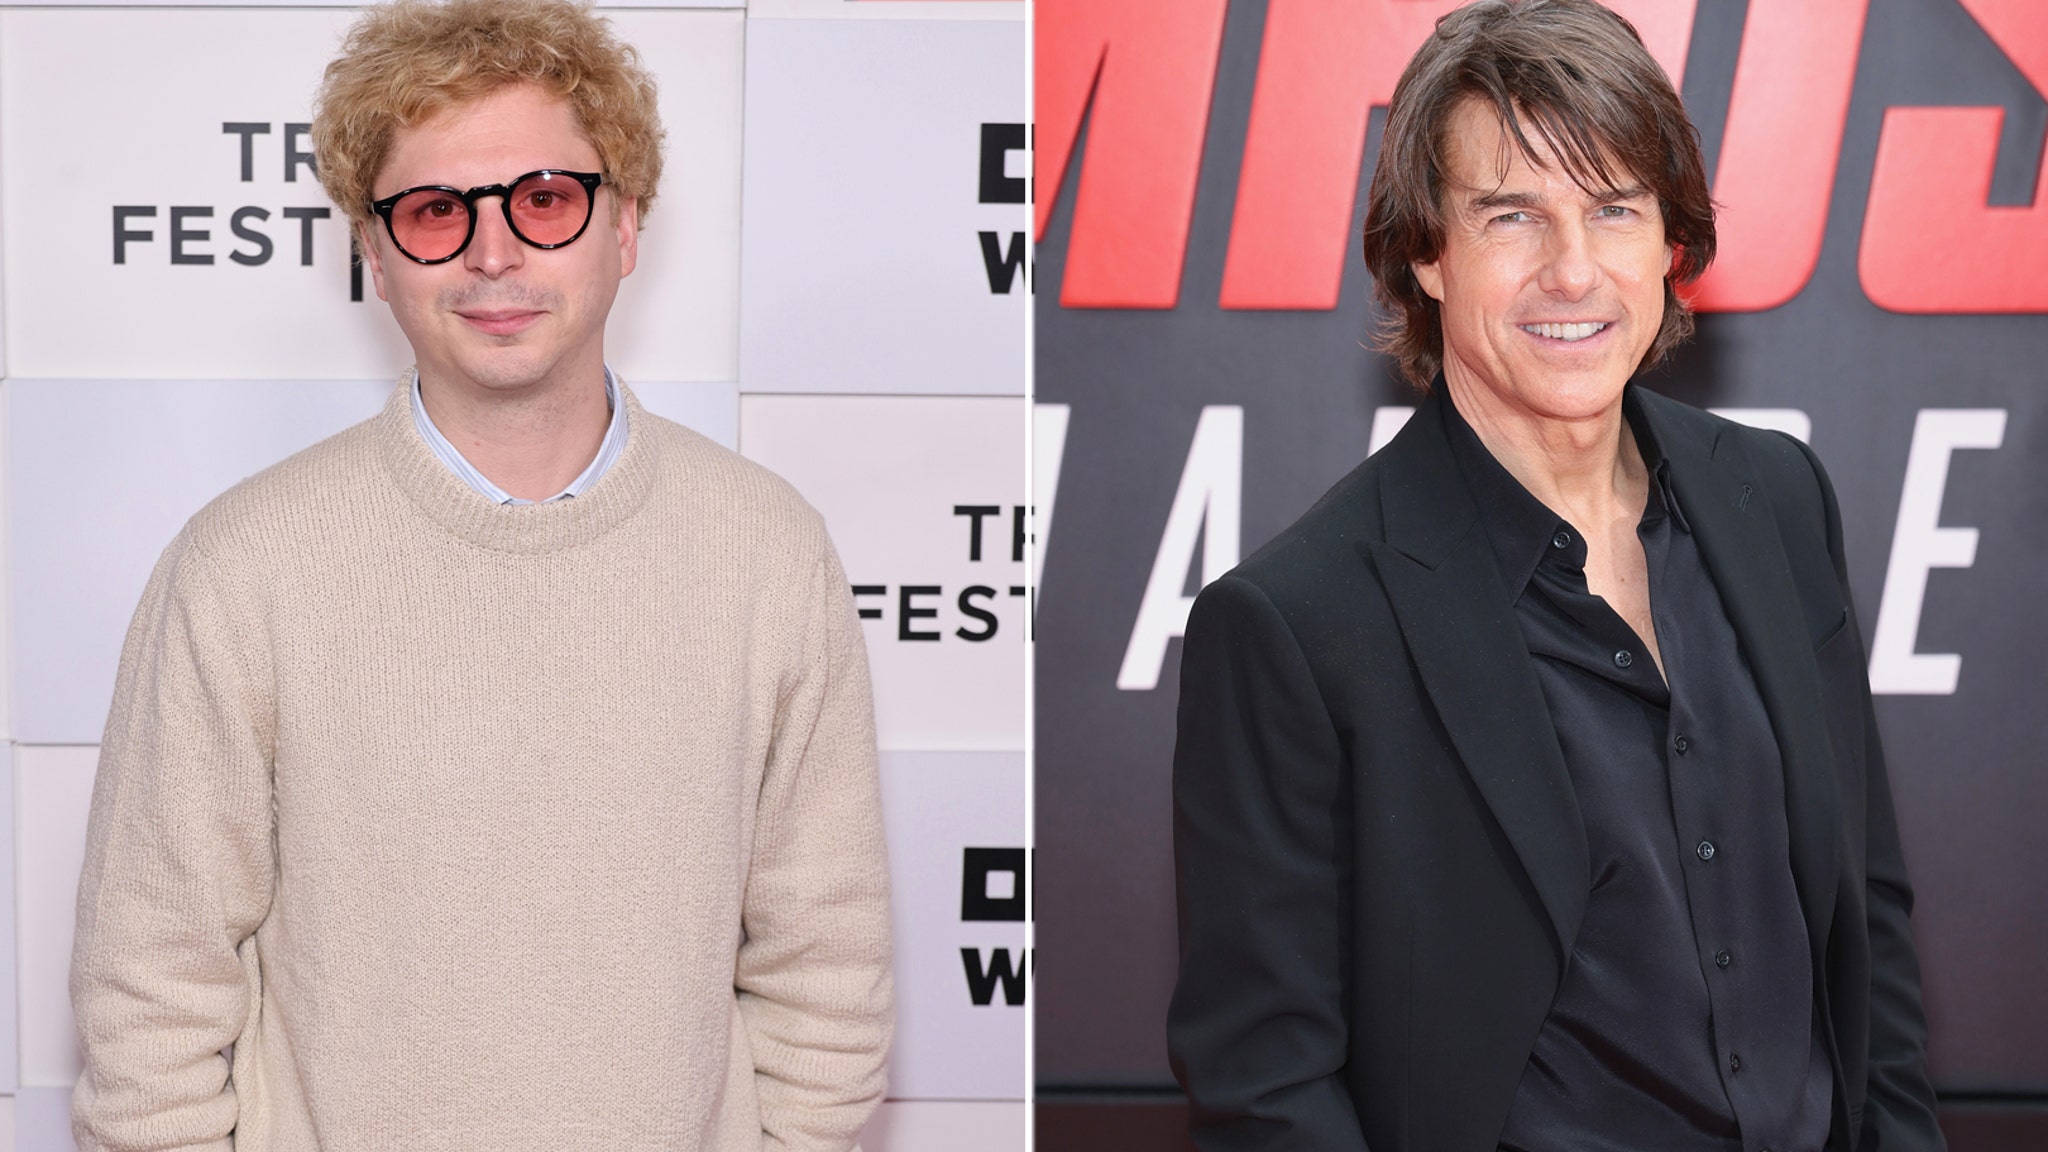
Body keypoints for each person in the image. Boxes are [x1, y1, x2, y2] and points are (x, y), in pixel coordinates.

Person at [68, 1, 892, 1148]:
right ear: (374, 254)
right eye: (435, 212)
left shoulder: (767, 552)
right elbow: (149, 999)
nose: (491, 254)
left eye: (543, 200)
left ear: (625, 226)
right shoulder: (241, 568)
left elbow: (827, 972)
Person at [1167, 2, 1941, 1150]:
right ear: (1425, 252)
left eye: (1613, 208)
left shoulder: (1776, 502)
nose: (1572, 271)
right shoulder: (1296, 624)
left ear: (1668, 242)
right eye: (1511, 215)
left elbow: (1861, 911)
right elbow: (1264, 1084)